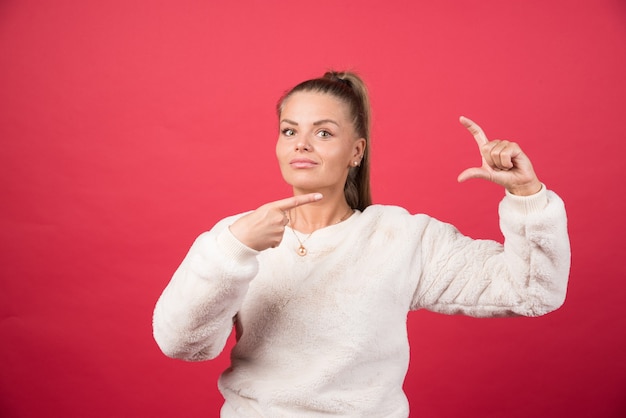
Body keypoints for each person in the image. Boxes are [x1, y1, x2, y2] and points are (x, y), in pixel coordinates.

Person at [152, 70, 571, 417]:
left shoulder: (403, 237)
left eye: (323, 132)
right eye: (289, 130)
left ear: (356, 151)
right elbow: (182, 344)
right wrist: (234, 250)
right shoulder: (238, 235)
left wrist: (527, 196)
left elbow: (532, 292)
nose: (302, 142)